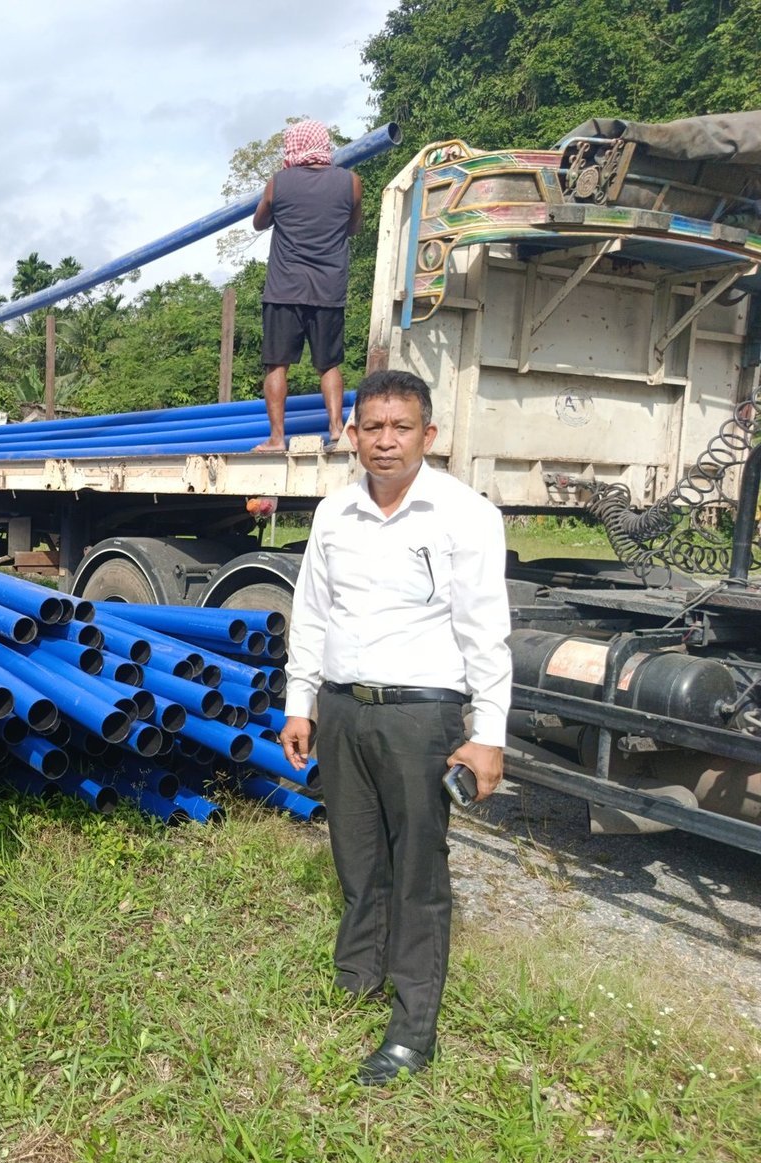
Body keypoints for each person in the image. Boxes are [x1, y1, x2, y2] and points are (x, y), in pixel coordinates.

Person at [278, 368, 511, 1086]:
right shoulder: (334, 514)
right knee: (355, 856)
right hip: (344, 709)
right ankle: (358, 976)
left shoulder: (465, 515)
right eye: (372, 427)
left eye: (401, 427)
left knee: (417, 873)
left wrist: (488, 734)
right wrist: (300, 702)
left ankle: (412, 1030)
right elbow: (312, 614)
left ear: (427, 434)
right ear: (353, 434)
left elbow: (486, 631)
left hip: (420, 715)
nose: (386, 441)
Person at [250, 119, 363, 452]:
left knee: (277, 364)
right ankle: (337, 430)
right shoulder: (351, 183)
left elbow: (259, 222)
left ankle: (277, 438)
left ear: (294, 146)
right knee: (329, 364)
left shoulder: (279, 183)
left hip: (285, 288)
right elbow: (353, 228)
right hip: (329, 288)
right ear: (324, 145)